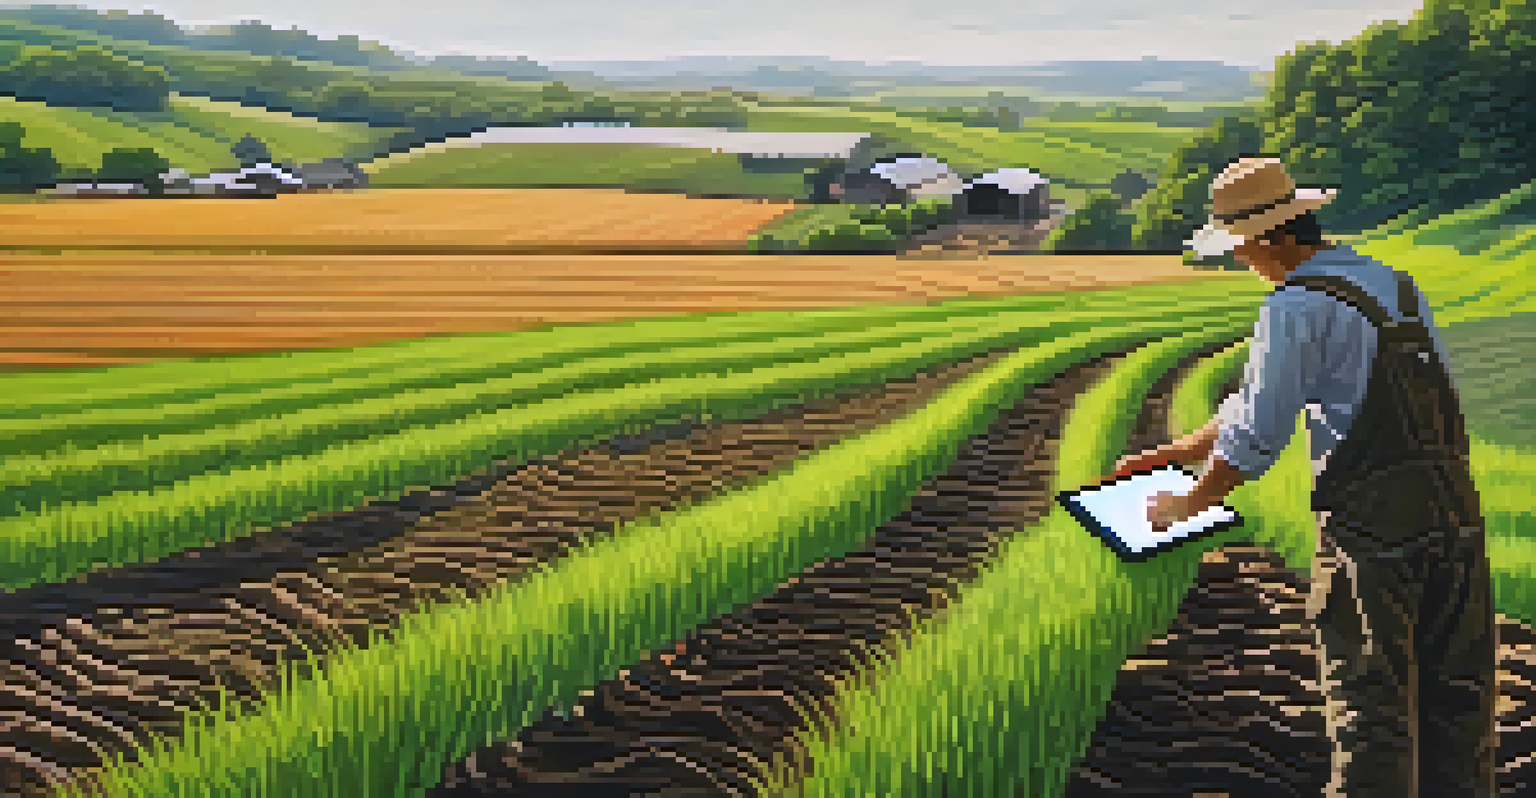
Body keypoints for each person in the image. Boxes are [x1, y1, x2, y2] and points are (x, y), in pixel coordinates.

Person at [1106, 157, 1495, 797]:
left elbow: (1256, 435)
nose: (1239, 261)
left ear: (1268, 238)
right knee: (1458, 704)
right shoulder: (1394, 286)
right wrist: (1178, 451)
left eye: (1239, 247)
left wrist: (1187, 502)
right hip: (1455, 517)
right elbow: (1260, 402)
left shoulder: (1294, 305)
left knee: (1371, 711)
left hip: (1371, 532)